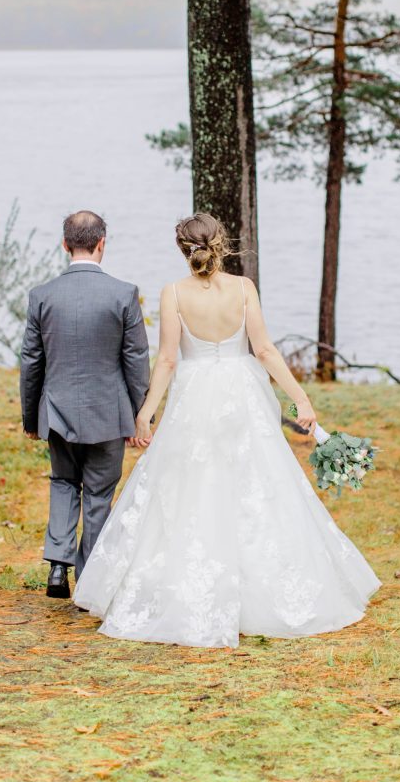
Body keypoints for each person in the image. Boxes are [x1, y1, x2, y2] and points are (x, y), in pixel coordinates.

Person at [73, 212, 381, 647]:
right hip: (242, 396)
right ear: (221, 244)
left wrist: (146, 412)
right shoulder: (243, 288)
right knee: (256, 483)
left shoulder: (173, 293)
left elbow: (166, 361)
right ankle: (264, 592)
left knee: (190, 486)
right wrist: (301, 399)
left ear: (183, 249)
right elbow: (266, 350)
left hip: (194, 397)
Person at [20, 210, 150, 599]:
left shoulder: (42, 296)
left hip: (57, 413)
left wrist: (31, 416)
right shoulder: (123, 294)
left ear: (65, 245)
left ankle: (57, 569)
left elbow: (31, 361)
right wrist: (140, 413)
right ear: (102, 244)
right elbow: (136, 361)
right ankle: (89, 579)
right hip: (109, 415)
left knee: (63, 483)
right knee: (98, 494)